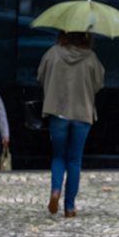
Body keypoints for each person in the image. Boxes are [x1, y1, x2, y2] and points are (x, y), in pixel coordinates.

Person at [37, 31, 105, 218]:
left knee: (59, 156)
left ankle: (55, 190)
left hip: (58, 112)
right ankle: (70, 207)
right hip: (82, 114)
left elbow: (40, 77)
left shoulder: (53, 53)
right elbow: (99, 83)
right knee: (74, 160)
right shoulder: (91, 58)